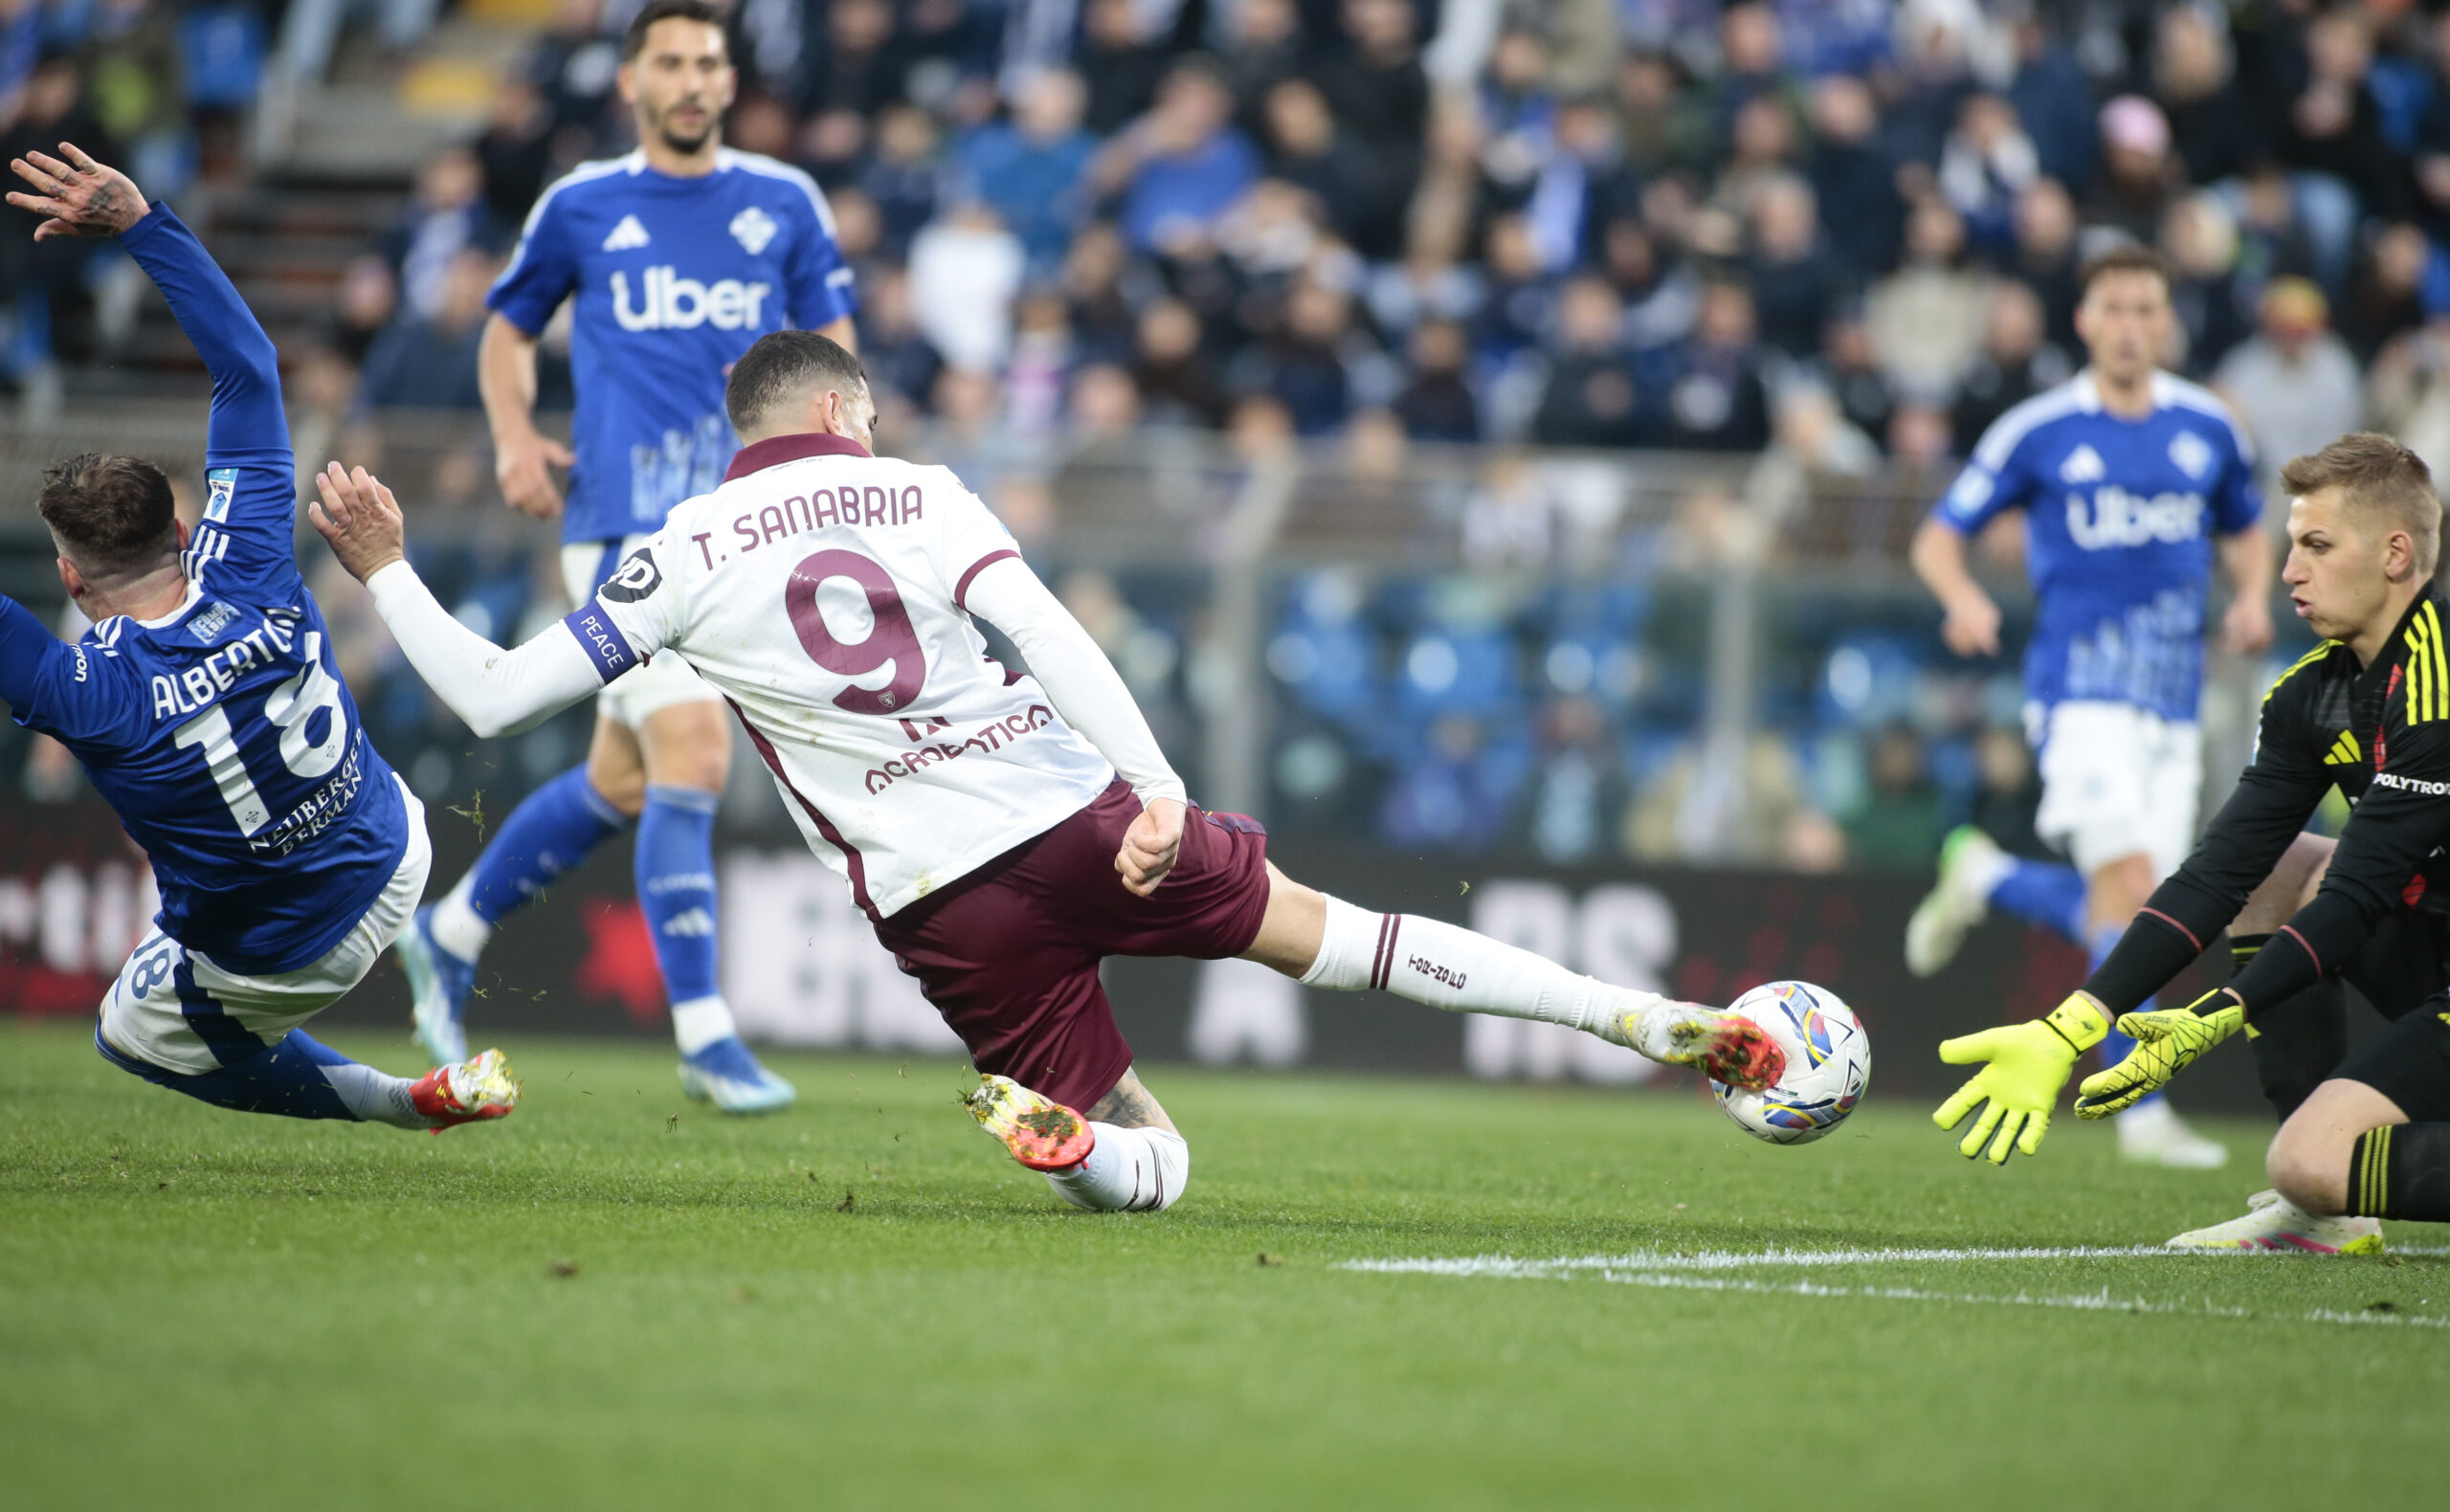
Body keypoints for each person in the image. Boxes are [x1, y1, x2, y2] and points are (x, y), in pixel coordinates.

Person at [308, 332, 1787, 1212]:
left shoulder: (678, 550)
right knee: (1348, 939)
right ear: (845, 409)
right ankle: (1635, 1017)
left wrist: (387, 568)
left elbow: (490, 698)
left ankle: (1083, 1149)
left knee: (1155, 1156)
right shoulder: (919, 492)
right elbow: (1050, 631)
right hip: (1075, 813)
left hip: (939, 901)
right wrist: (1156, 782)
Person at [391, 0, 858, 1114]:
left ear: (730, 82)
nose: (692, 80)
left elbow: (837, 350)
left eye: (708, 63)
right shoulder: (582, 204)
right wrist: (513, 435)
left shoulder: (785, 202)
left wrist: (835, 458)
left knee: (623, 779)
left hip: (746, 530)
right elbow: (508, 329)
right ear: (632, 82)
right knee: (694, 749)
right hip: (623, 529)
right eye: (671, 62)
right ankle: (705, 1036)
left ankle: (449, 935)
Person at [0, 143, 516, 1133]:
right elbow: (247, 368)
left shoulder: (82, 692)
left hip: (284, 955)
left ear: (69, 579)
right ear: (182, 530)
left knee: (128, 1030)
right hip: (395, 852)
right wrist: (142, 221)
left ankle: (400, 1102)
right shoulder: (248, 556)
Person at [1936, 434, 2450, 1255]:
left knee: (2311, 1161)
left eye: (2317, 546)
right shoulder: (2310, 696)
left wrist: (2218, 1012)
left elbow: (2356, 897)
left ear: (2395, 555)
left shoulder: (2438, 683)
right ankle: (2322, 1218)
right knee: (2278, 870)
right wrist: (2073, 1023)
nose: (2289, 571)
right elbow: (2220, 871)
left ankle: (2315, 1190)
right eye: (2291, 544)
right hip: (2434, 956)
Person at [1903, 242, 2275, 1169]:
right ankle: (2137, 1111)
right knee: (2135, 883)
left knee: (2147, 910)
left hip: (2173, 704)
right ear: (2084, 320)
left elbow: (2245, 526)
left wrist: (2249, 597)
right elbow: (1938, 536)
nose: (2129, 326)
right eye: (2113, 308)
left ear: (2166, 321)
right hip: (2078, 696)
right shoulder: (2038, 428)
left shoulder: (2208, 427)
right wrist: (1962, 598)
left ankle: (1988, 876)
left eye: (2145, 309)